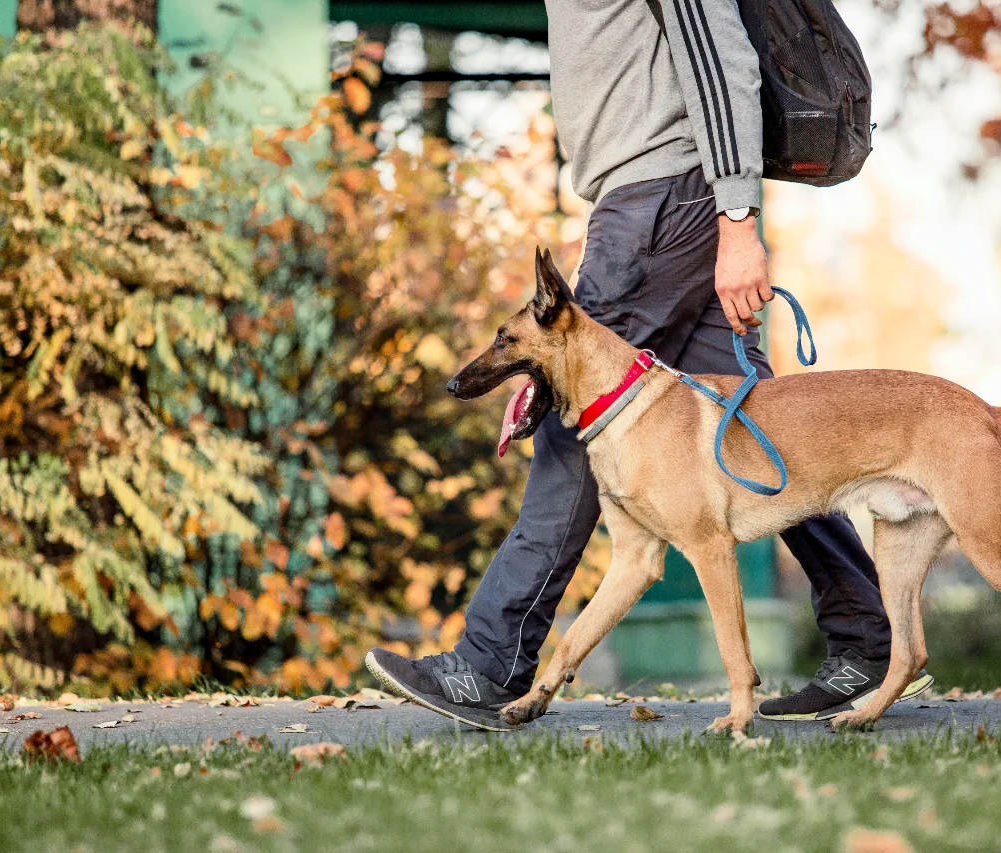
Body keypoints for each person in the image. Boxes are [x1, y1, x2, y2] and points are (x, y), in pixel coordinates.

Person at [367, 0, 930, 729]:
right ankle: (868, 640)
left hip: (663, 199)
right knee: (760, 431)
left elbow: (718, 52)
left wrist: (736, 219)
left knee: (582, 417)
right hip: (657, 198)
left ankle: (490, 663)